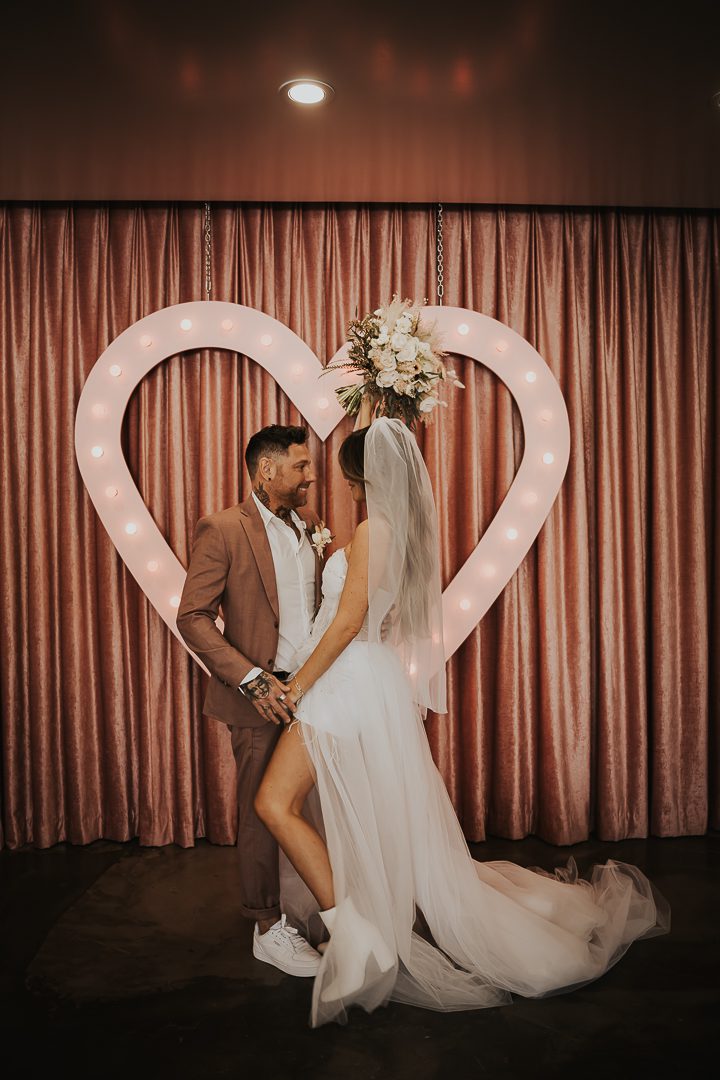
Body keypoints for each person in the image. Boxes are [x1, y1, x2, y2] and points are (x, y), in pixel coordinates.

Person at [254, 417, 670, 1027]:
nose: (339, 485)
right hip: (371, 678)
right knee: (369, 817)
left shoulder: (374, 530)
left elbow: (345, 625)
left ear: (362, 476)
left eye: (344, 475)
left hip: (342, 682)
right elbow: (381, 619)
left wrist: (298, 686)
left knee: (274, 802)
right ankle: (363, 927)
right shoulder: (408, 533)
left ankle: (360, 936)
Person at [176, 425, 324, 977]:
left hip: (314, 690)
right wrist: (253, 681)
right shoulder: (222, 528)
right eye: (301, 466)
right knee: (262, 811)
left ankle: (315, 907)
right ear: (266, 471)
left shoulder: (310, 525)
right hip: (261, 699)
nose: (311, 476)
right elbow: (192, 617)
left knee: (311, 807)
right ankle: (266, 927)